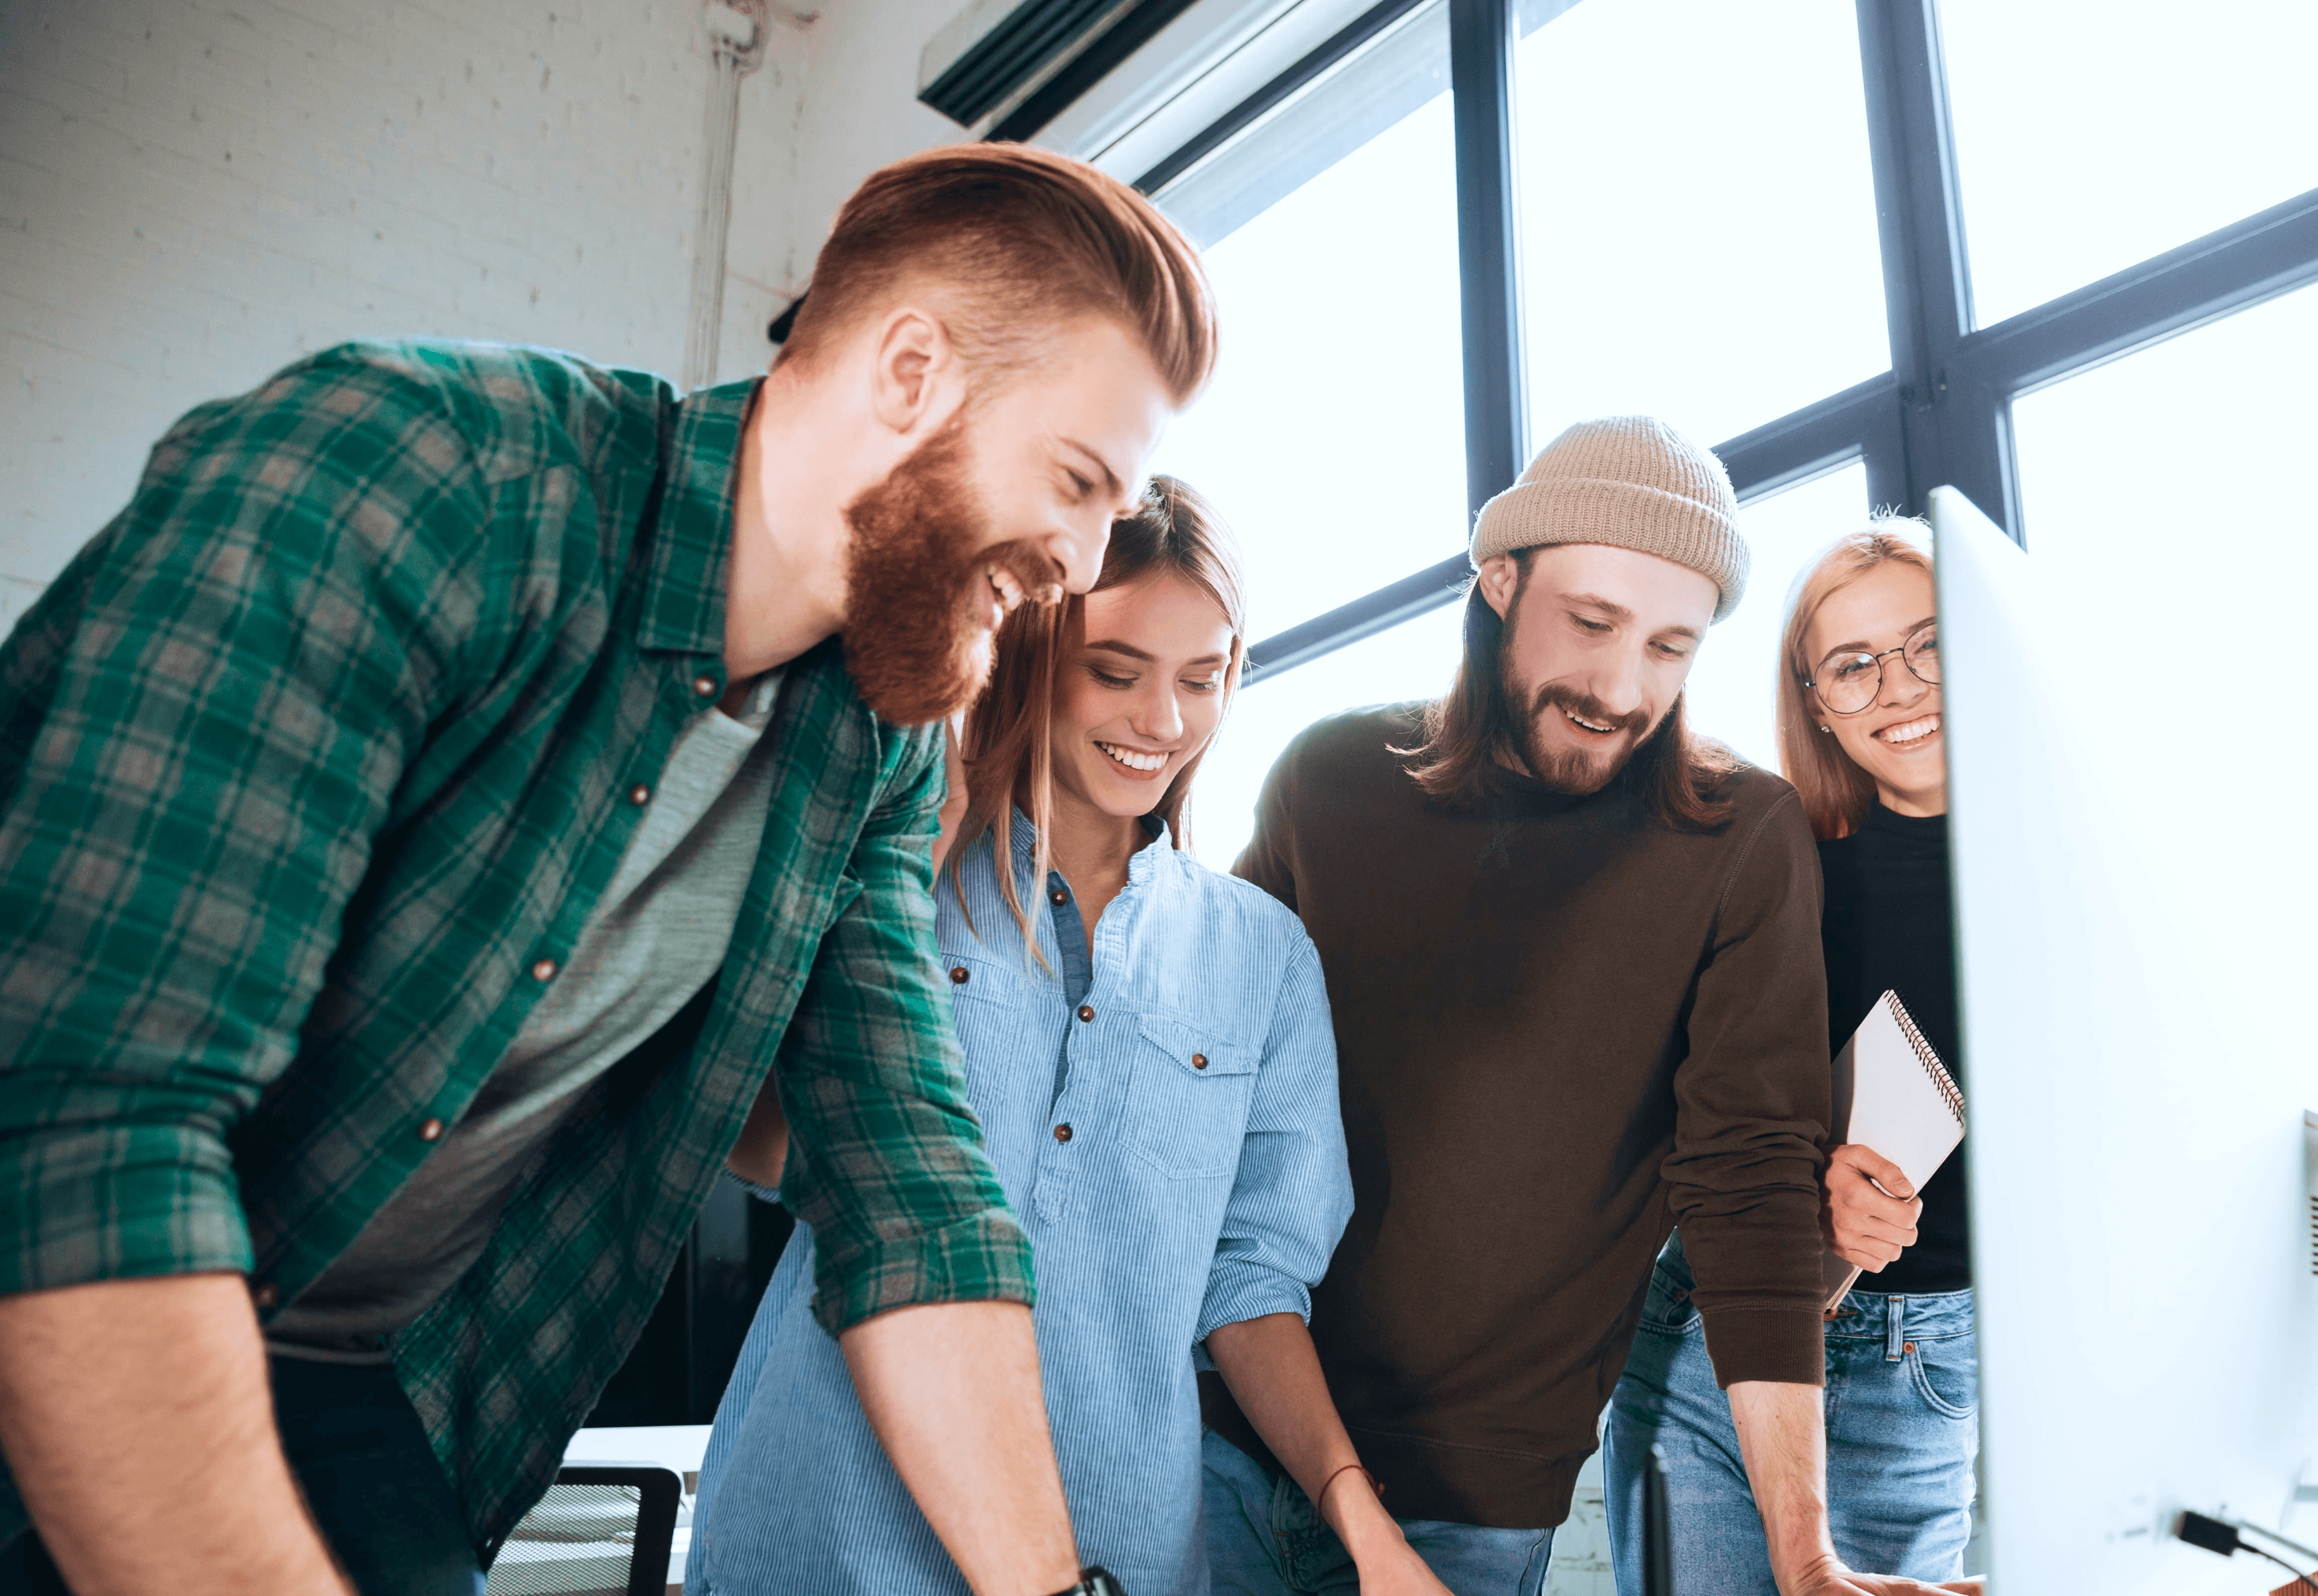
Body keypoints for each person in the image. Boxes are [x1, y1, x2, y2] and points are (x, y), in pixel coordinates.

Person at [0, 143, 1214, 1596]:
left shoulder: (876, 750)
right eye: (1076, 480)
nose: (1079, 565)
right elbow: (88, 1128)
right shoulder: (422, 475)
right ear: (910, 372)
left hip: (332, 1361)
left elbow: (910, 1197)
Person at [1202, 417, 1968, 1596]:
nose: (1623, 689)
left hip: (1474, 1494)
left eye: (1671, 644)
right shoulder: (1328, 778)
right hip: (1211, 1428)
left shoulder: (1740, 835)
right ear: (1499, 581)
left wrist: (1805, 1555)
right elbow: (1200, 1080)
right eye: (1593, 622)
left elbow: (1746, 1178)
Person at [690, 478, 1446, 1596]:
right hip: (823, 1527)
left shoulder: (1264, 957)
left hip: (1112, 1548)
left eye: (1203, 677)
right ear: (1034, 656)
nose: (1163, 721)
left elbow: (1250, 1284)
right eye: (1115, 670)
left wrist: (1362, 1523)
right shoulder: (907, 872)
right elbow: (753, 1142)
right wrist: (926, 826)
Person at [1602, 520, 1979, 1592]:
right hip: (1706, 1334)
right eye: (1851, 667)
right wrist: (1811, 1173)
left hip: (1916, 1363)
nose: (1899, 689)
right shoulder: (1775, 861)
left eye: (1928, 644)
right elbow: (1678, 1109)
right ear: (1813, 700)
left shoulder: (2067, 862)